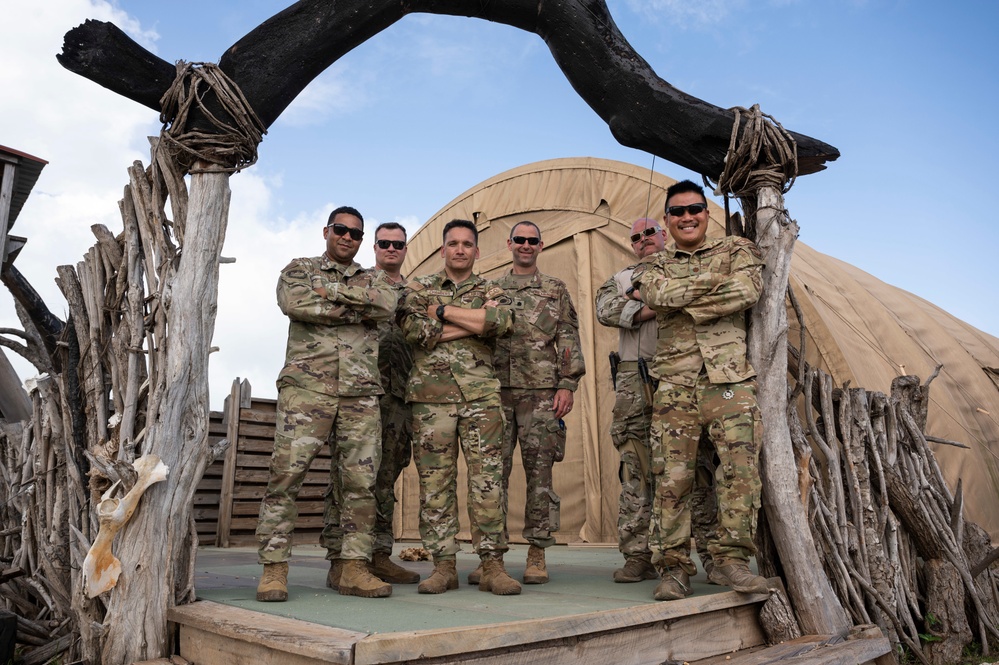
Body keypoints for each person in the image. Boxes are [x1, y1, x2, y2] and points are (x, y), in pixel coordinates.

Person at [632, 180, 769, 601]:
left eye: (694, 209)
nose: (687, 217)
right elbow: (655, 293)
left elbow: (747, 290)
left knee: (739, 474)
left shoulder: (737, 251)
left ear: (706, 214)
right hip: (675, 384)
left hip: (729, 382)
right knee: (672, 480)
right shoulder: (654, 264)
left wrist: (683, 302)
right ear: (667, 220)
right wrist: (714, 289)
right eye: (677, 212)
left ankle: (731, 562)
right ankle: (673, 570)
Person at [255, 206, 396, 602]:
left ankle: (351, 567)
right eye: (340, 230)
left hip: (361, 393)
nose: (347, 237)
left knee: (359, 485)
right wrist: (357, 309)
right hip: (307, 391)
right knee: (285, 478)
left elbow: (385, 307)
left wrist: (330, 293)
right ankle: (274, 569)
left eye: (355, 233)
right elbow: (295, 304)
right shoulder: (299, 270)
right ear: (326, 231)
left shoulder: (376, 279)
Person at [397, 219, 521, 595]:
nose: (461, 249)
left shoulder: (491, 288)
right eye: (454, 243)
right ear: (443, 249)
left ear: (477, 251)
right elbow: (413, 332)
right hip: (431, 400)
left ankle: (492, 566)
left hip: (481, 397)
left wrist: (441, 312)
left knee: (488, 484)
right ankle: (444, 565)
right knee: (436, 485)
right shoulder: (419, 288)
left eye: (468, 244)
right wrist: (476, 321)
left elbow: (502, 321)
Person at [596, 218, 720, 585]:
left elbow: (708, 299)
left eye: (650, 232)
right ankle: (638, 555)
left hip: (683, 376)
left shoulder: (688, 266)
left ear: (664, 234)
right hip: (634, 380)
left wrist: (648, 302)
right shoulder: (621, 279)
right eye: (636, 237)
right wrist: (668, 303)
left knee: (695, 467)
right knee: (636, 468)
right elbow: (609, 311)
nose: (643, 240)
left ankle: (711, 554)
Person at [472, 221, 585, 585]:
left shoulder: (555, 289)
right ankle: (492, 557)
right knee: (492, 477)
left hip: (540, 394)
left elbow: (568, 336)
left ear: (540, 245)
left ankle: (537, 553)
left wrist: (566, 384)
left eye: (531, 241)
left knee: (540, 476)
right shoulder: (490, 288)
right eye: (519, 240)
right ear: (509, 244)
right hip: (495, 393)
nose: (525, 245)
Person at [323, 222, 421, 590]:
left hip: (398, 398)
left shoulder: (416, 291)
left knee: (385, 480)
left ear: (405, 248)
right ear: (374, 247)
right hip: (358, 394)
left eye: (398, 244)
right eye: (384, 243)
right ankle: (341, 559)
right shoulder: (358, 284)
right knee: (347, 478)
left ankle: (378, 554)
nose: (391, 249)